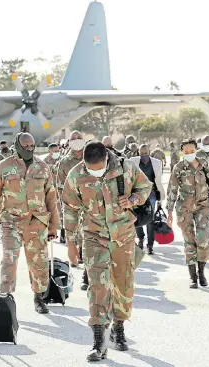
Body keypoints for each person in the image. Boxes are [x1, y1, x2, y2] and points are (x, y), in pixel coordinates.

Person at [62, 142, 152, 362]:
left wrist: (132, 200)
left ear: (106, 158)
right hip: (94, 236)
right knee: (98, 286)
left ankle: (119, 326)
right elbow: (70, 209)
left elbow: (145, 187)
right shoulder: (76, 174)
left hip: (123, 235)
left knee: (123, 284)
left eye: (98, 168)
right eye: (90, 168)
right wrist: (72, 244)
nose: (94, 171)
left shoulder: (126, 167)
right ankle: (98, 339)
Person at [0, 132, 59, 314]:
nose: (29, 149)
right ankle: (6, 297)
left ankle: (39, 297)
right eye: (25, 146)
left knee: (38, 262)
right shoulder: (3, 166)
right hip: (11, 221)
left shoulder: (42, 167)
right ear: (17, 145)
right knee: (9, 260)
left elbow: (51, 197)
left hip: (37, 222)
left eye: (32, 146)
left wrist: (54, 226)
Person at [167, 138, 209, 288]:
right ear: (182, 152)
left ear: (196, 150)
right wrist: (169, 212)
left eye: (192, 151)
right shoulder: (179, 167)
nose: (189, 154)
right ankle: (193, 277)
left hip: (203, 206)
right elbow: (172, 190)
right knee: (189, 241)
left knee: (203, 239)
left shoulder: (204, 164)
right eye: (186, 151)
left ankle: (202, 271)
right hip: (184, 208)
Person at [55, 130, 87, 287]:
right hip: (71, 205)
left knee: (89, 237)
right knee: (72, 236)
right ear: (68, 142)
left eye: (79, 138)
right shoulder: (64, 162)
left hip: (91, 205)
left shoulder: (92, 156)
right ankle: (74, 253)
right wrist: (62, 209)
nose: (77, 141)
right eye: (73, 139)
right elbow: (60, 187)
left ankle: (87, 274)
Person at [131, 144, 166, 254]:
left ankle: (150, 244)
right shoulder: (134, 162)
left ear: (149, 152)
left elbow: (159, 180)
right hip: (137, 194)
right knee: (136, 218)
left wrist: (160, 199)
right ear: (138, 153)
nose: (144, 155)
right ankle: (141, 238)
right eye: (142, 154)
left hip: (151, 194)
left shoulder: (156, 163)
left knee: (150, 219)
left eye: (146, 153)